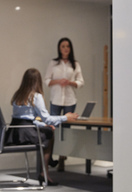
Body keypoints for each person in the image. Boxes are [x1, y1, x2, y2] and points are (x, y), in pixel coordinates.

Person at [11, 68, 78, 186]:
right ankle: (45, 172)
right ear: (38, 81)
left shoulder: (18, 95)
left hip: (14, 134)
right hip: (27, 134)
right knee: (49, 134)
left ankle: (47, 165)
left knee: (47, 129)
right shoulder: (36, 96)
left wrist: (43, 124)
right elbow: (47, 118)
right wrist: (65, 117)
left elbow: (25, 120)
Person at [44, 37, 84, 171]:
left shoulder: (75, 64)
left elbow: (80, 82)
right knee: (52, 128)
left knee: (66, 131)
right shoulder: (53, 63)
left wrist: (70, 82)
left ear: (70, 48)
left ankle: (62, 159)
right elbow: (47, 80)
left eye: (67, 46)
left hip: (70, 100)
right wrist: (58, 81)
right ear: (59, 48)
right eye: (63, 46)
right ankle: (49, 158)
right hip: (55, 99)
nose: (65, 48)